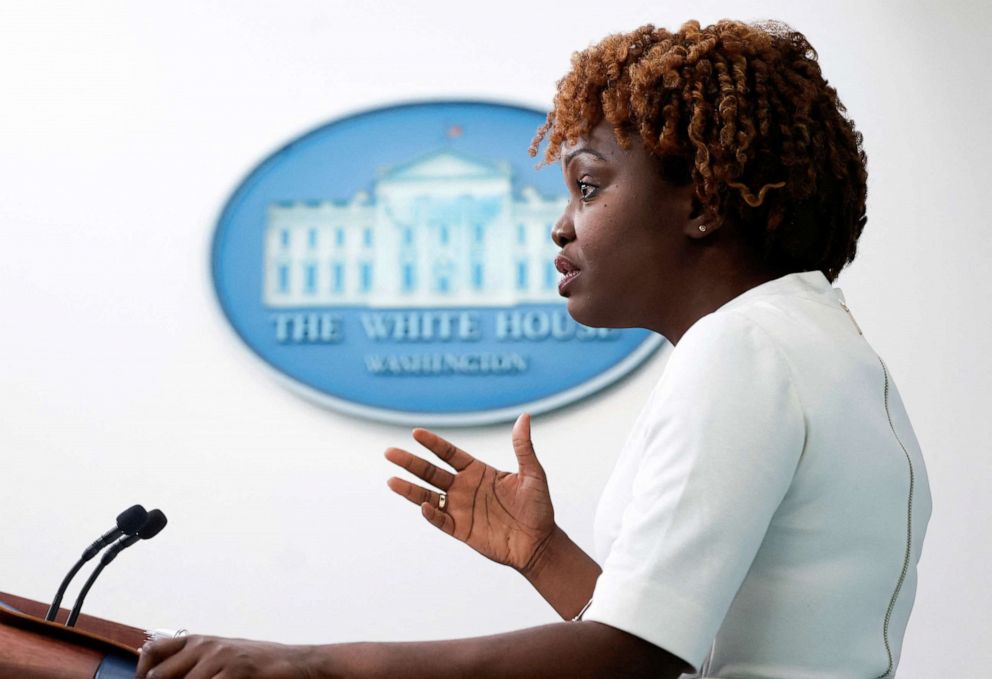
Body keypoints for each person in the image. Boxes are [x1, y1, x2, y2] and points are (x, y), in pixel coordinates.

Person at [137, 19, 931, 678]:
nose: (560, 225)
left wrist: (313, 665)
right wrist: (545, 552)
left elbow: (628, 660)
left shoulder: (742, 348)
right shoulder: (827, 348)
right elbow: (685, 644)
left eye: (587, 186)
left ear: (703, 204)